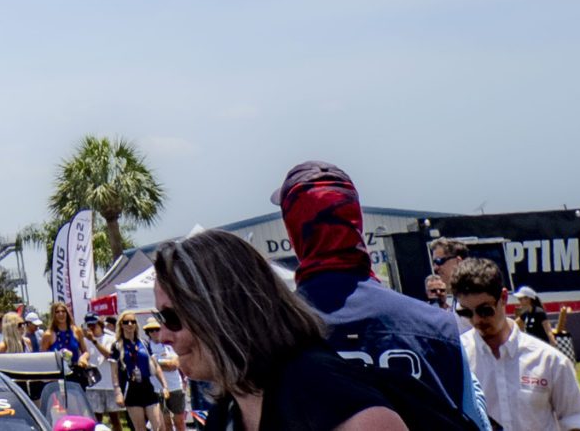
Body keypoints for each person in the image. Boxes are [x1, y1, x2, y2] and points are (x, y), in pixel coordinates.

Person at [276, 162, 486, 431]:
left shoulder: (268, 338)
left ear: (294, 231)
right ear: (356, 221)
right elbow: (477, 423)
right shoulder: (438, 325)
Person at [152, 231, 408, 431]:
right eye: (159, 318)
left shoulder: (322, 388)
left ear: (223, 313)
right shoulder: (228, 411)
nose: (163, 335)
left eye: (171, 318)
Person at [446, 257, 580, 431]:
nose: (476, 319)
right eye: (465, 312)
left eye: (485, 310)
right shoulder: (456, 358)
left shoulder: (549, 359)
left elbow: (576, 419)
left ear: (503, 298)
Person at [121, 316, 162, 431]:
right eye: (126, 322)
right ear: (121, 325)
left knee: (158, 426)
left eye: (133, 322)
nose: (130, 324)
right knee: (140, 428)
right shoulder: (118, 345)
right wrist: (118, 392)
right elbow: (115, 373)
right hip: (131, 386)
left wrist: (164, 385)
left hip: (147, 385)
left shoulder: (143, 343)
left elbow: (156, 366)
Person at [155, 322, 191, 431]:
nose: (154, 332)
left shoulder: (170, 345)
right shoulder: (148, 346)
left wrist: (157, 362)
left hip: (175, 387)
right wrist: (164, 363)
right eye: (151, 330)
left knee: (179, 422)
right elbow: (148, 365)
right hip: (158, 389)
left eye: (157, 329)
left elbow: (175, 364)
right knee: (166, 423)